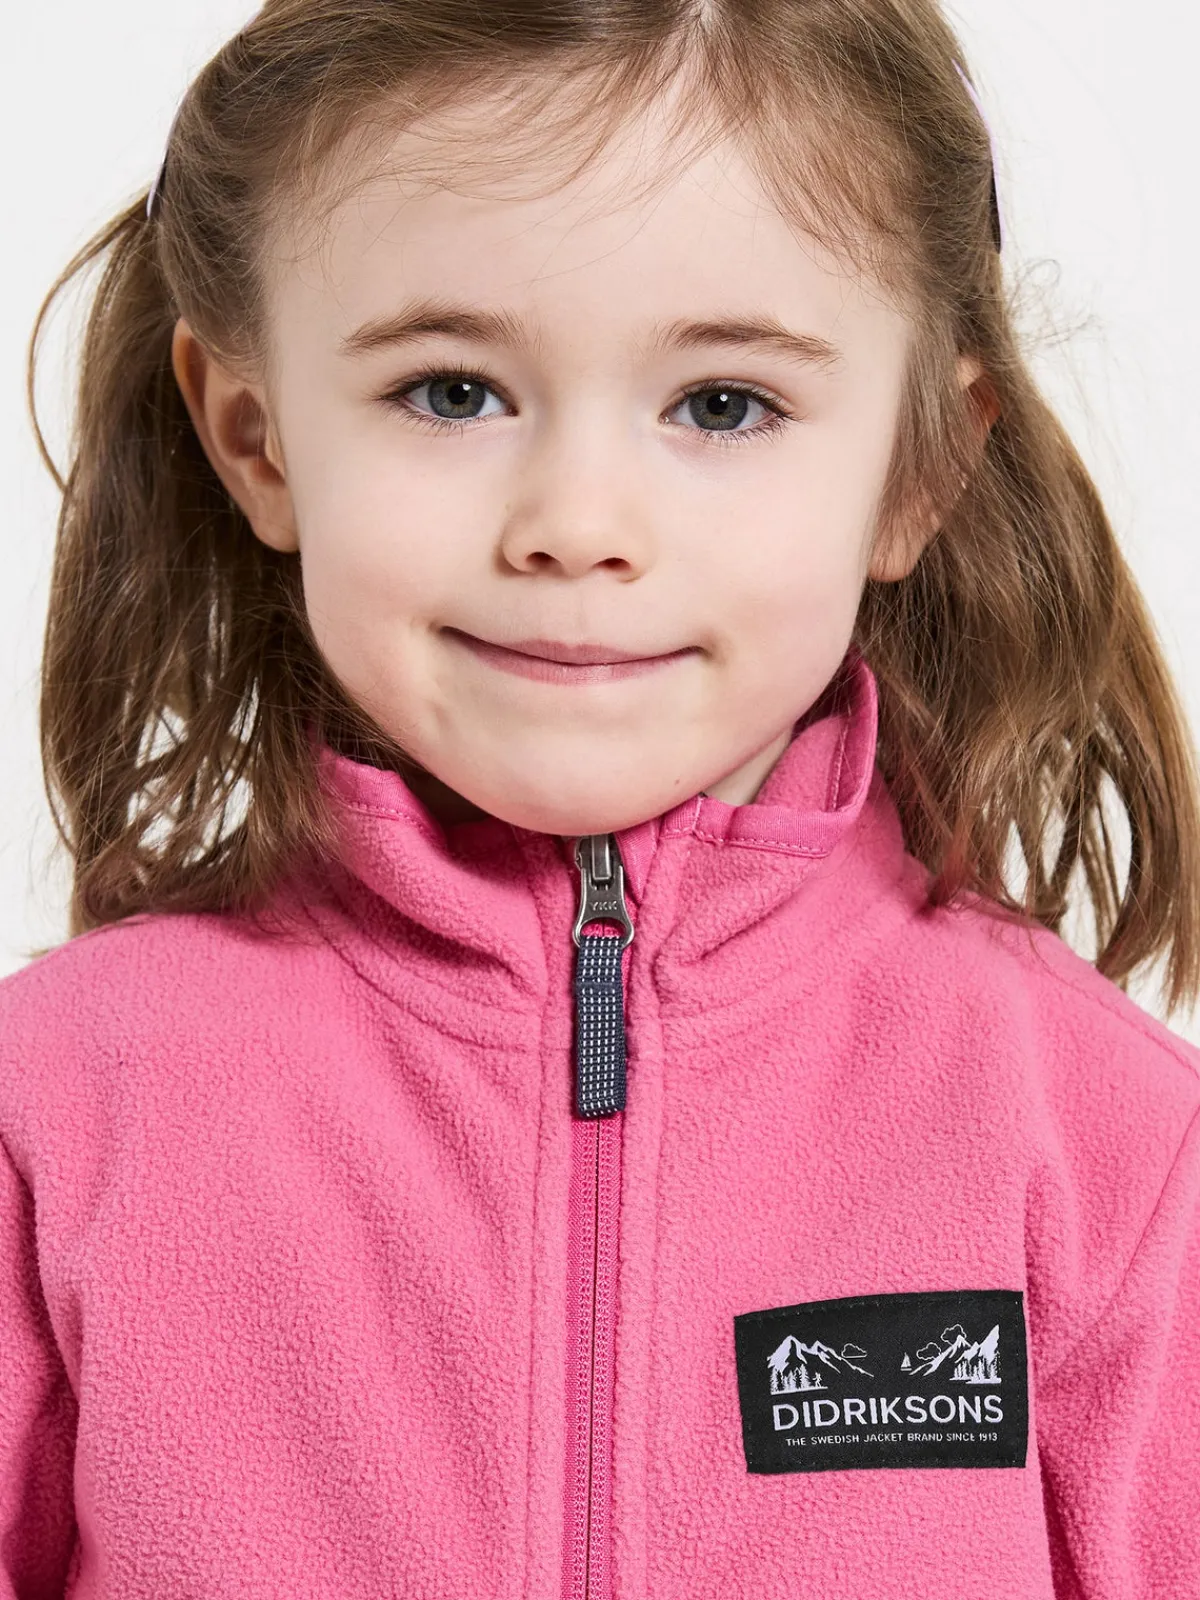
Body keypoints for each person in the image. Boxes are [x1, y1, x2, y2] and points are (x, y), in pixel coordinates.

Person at [4, 0, 1199, 1594]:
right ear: (255, 436)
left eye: (723, 404)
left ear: (918, 468)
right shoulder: (54, 1110)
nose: (576, 523)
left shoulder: (1110, 1144)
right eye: (451, 392)